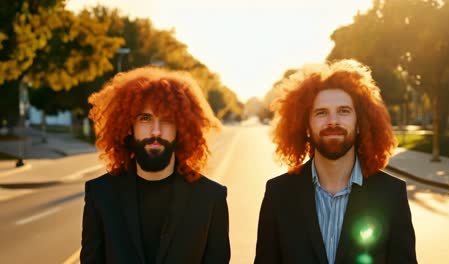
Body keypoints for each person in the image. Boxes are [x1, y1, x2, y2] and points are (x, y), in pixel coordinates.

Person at [255, 60, 417, 264]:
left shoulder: (391, 194)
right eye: (321, 113)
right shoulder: (278, 193)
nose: (333, 121)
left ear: (360, 123)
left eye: (344, 111)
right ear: (305, 126)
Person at [80, 66, 230, 264]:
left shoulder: (211, 198)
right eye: (145, 119)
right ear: (128, 126)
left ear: (182, 128)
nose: (156, 131)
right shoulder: (100, 194)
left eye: (167, 120)